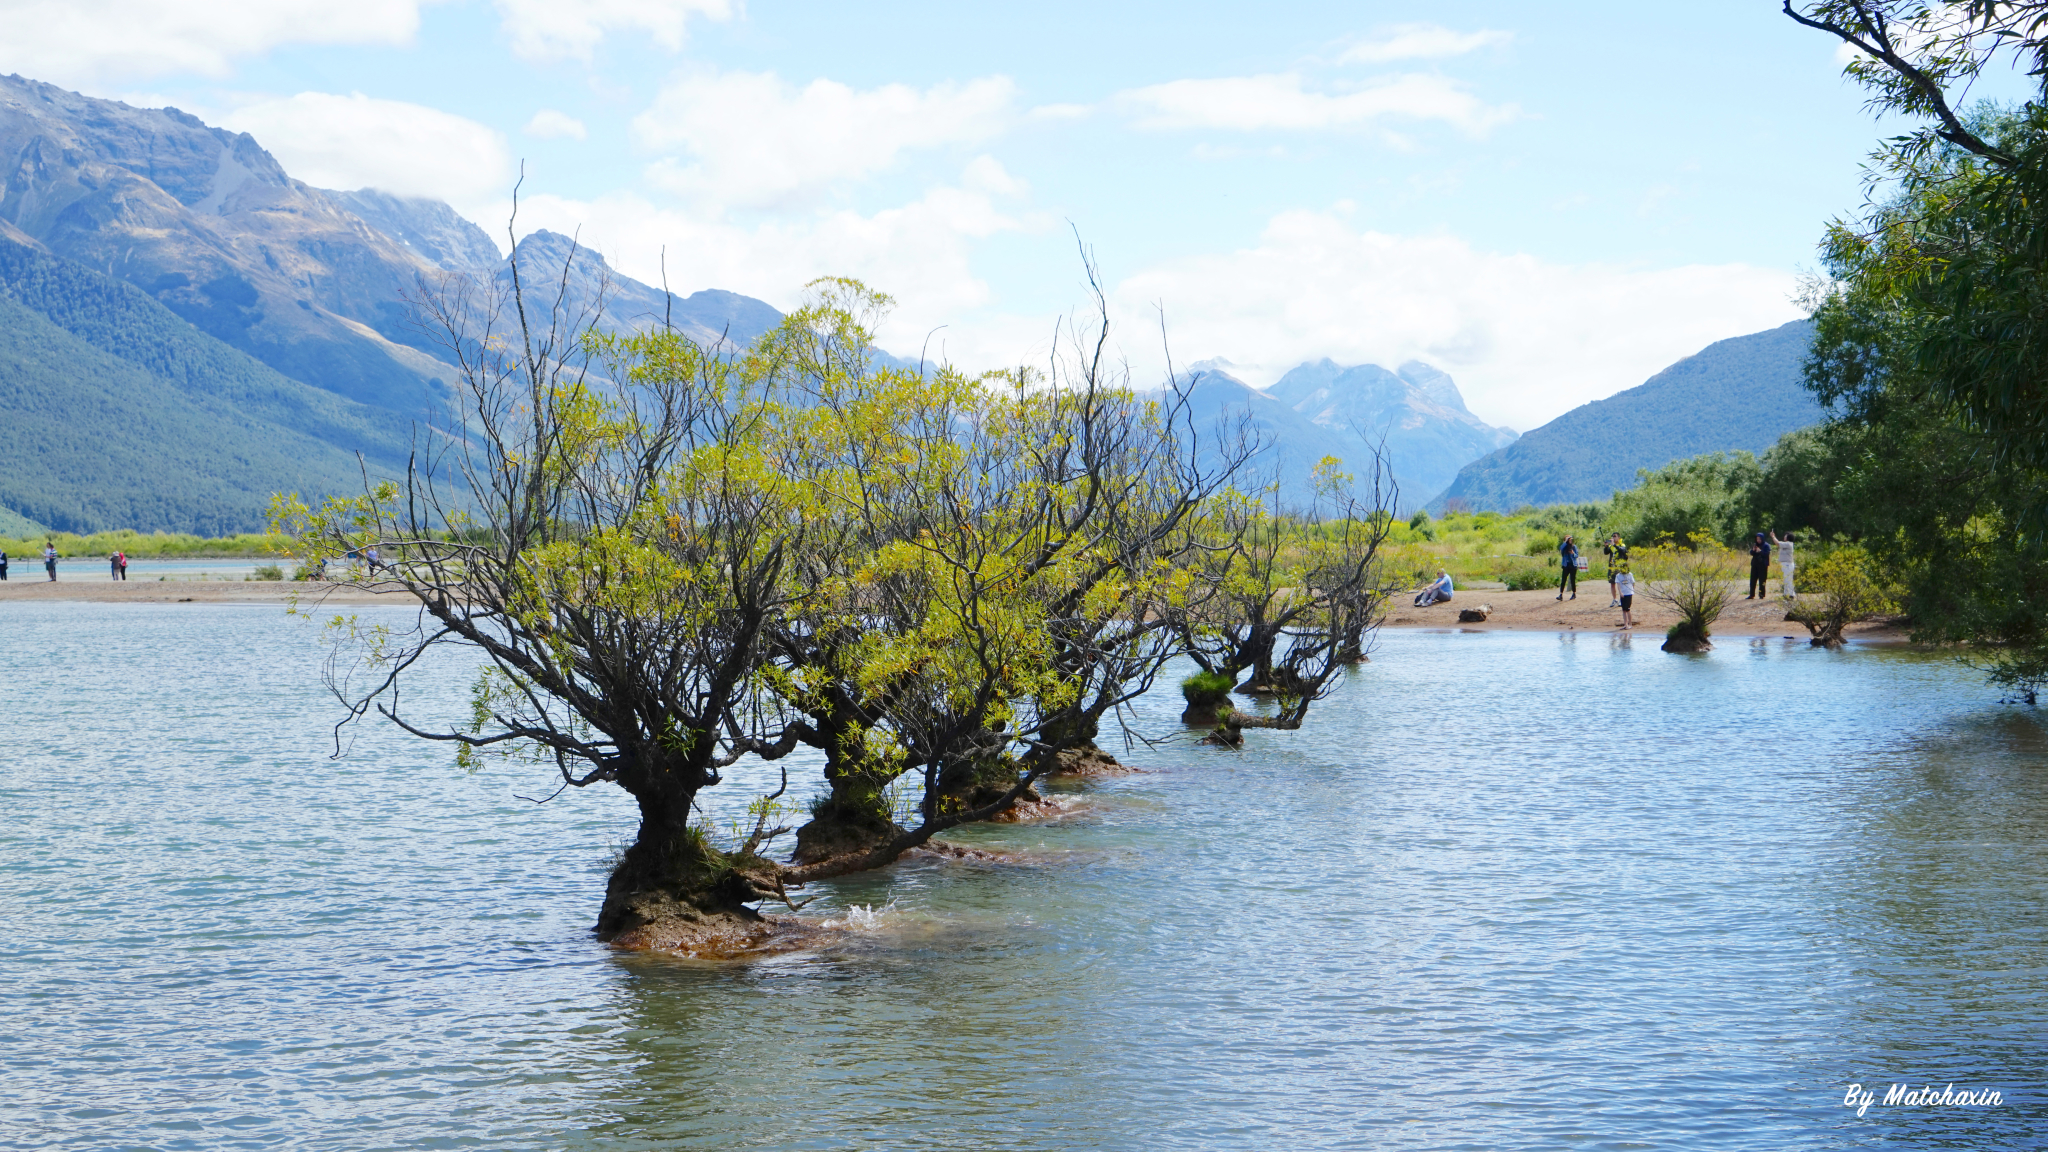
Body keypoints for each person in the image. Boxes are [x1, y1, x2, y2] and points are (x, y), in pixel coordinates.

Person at [1604, 534, 1629, 607]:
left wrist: (1614, 545)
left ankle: (1622, 599)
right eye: (1612, 537)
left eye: (1615, 536)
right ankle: (1615, 599)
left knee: (1621, 583)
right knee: (1612, 583)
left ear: (1619, 537)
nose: (1613, 538)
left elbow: (1622, 550)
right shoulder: (1611, 546)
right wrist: (1606, 546)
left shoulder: (1622, 544)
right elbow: (1606, 552)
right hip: (1612, 567)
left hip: (1620, 567)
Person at [1770, 529, 1796, 597]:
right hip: (1786, 564)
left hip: (1788, 564)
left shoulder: (1788, 544)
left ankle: (1790, 594)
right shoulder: (1786, 544)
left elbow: (1778, 543)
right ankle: (1786, 593)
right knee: (1786, 579)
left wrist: (1773, 536)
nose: (1784, 537)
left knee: (1788, 579)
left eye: (1786, 536)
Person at [1747, 532, 1770, 598]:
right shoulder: (1755, 545)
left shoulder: (1766, 545)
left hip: (1763, 565)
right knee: (1753, 580)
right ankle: (1752, 595)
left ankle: (1761, 594)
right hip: (1755, 565)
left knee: (1762, 580)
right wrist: (1753, 550)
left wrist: (1760, 551)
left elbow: (1766, 554)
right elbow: (1751, 553)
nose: (1758, 540)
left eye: (1759, 539)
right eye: (1757, 539)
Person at [1557, 535, 1579, 600]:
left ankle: (1574, 593)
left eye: (1570, 539)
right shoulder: (1564, 548)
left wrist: (1573, 553)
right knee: (1563, 580)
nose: (1570, 541)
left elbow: (1577, 555)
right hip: (1566, 565)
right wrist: (1565, 542)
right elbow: (1561, 549)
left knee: (1572, 580)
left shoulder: (1574, 547)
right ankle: (1561, 594)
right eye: (1569, 540)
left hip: (1573, 565)